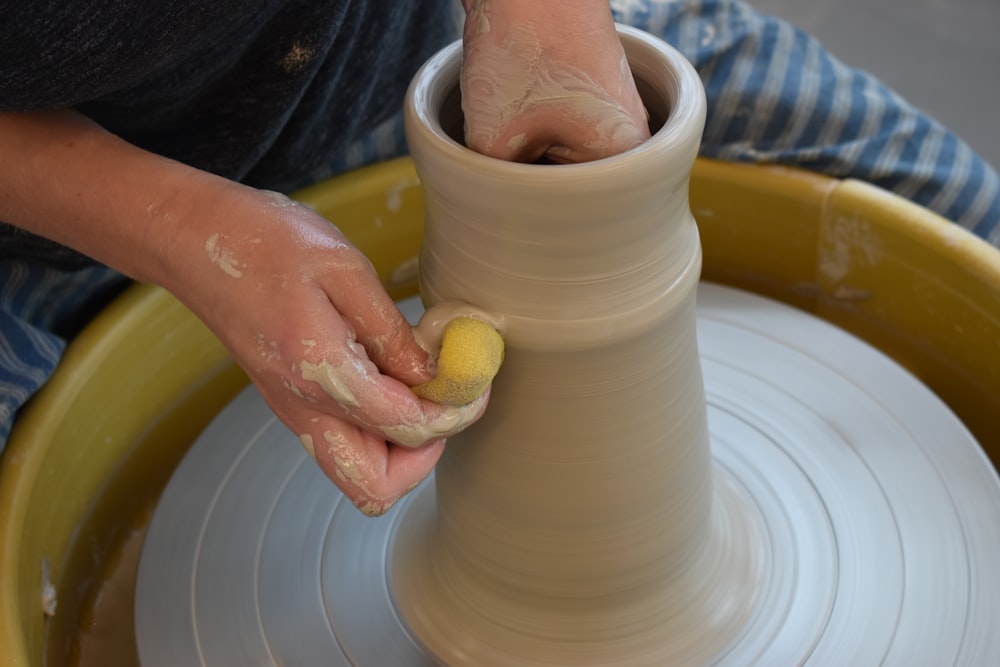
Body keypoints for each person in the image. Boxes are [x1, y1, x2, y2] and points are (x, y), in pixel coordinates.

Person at [1, 0, 997, 516]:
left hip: (425, 61)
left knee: (958, 215)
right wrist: (182, 227)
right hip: (54, 212)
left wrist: (542, 30)